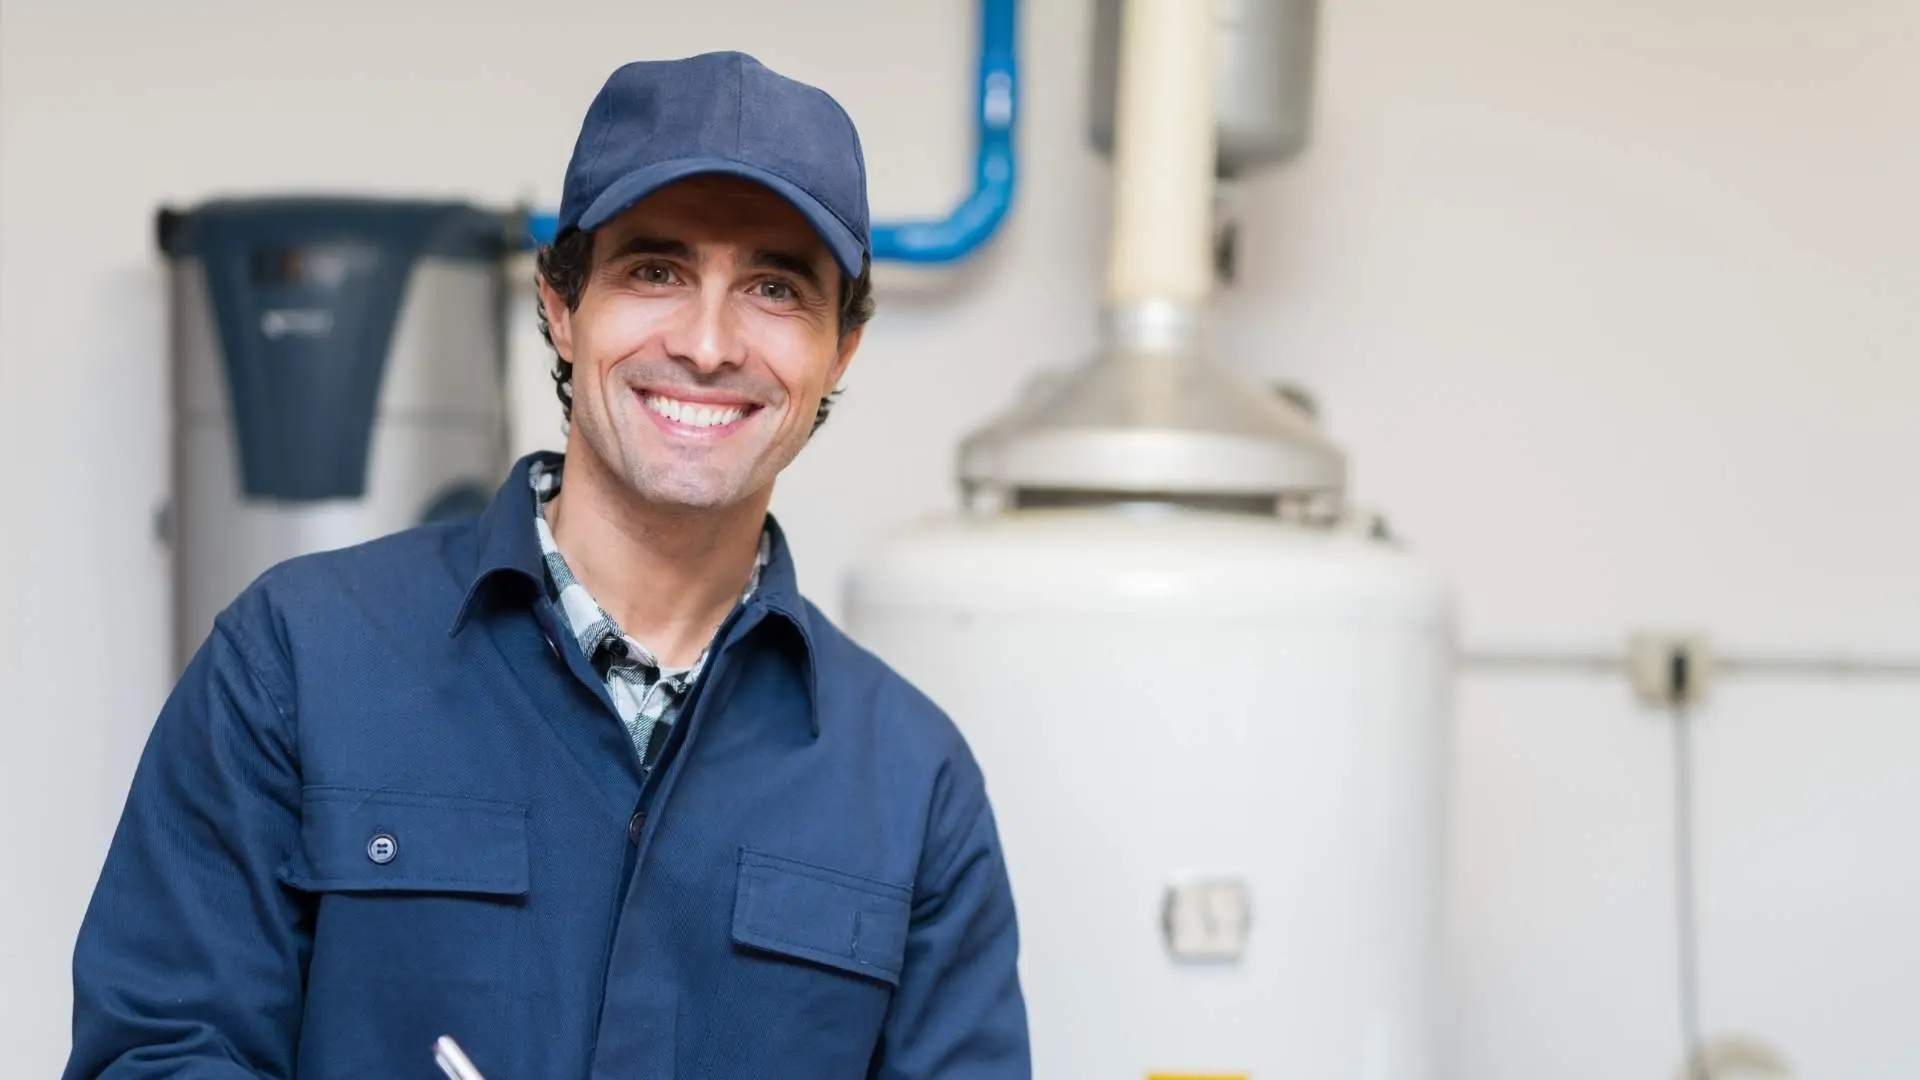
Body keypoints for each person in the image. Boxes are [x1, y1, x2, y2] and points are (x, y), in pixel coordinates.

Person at [63, 51, 1030, 1080]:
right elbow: (158, 1053)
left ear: (843, 347)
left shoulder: (914, 788)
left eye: (774, 287)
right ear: (563, 306)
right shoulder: (296, 662)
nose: (707, 344)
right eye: (654, 270)